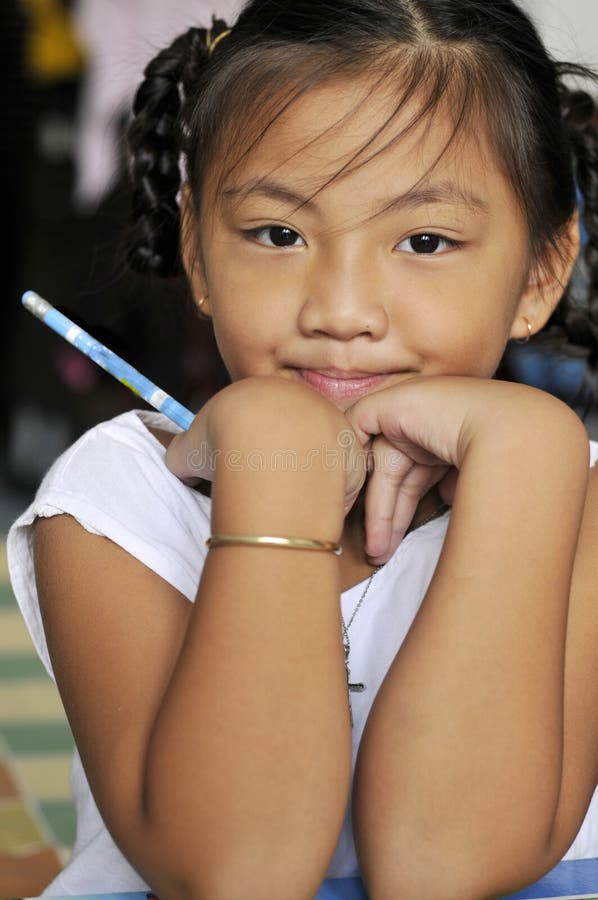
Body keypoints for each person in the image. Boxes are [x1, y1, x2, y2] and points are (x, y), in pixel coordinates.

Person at [7, 1, 598, 897]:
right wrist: (275, 462)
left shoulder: (571, 492)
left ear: (540, 274)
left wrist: (527, 454)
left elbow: (446, 867)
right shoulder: (118, 496)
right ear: (198, 251)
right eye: (278, 235)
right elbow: (237, 871)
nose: (341, 311)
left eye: (425, 241)